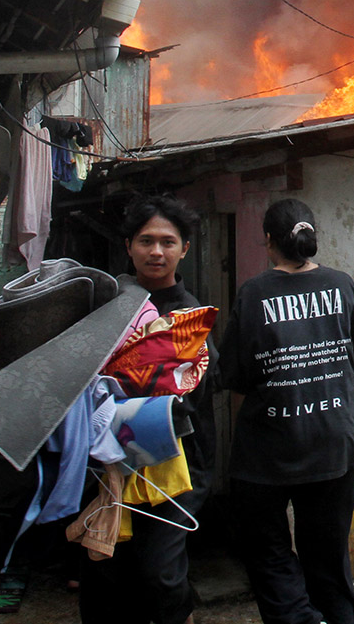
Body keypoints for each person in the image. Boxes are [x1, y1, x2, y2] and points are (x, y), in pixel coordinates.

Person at [217, 198, 354, 624]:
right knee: (328, 561)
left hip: (266, 452)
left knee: (269, 556)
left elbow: (232, 373)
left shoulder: (253, 294)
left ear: (269, 241)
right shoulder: (342, 286)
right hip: (334, 446)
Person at [79, 192, 215, 624]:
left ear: (184, 249)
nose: (156, 252)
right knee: (106, 573)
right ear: (128, 246)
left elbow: (192, 396)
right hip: (108, 465)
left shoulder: (193, 318)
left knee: (161, 575)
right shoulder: (106, 307)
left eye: (168, 242)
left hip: (176, 467)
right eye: (146, 240)